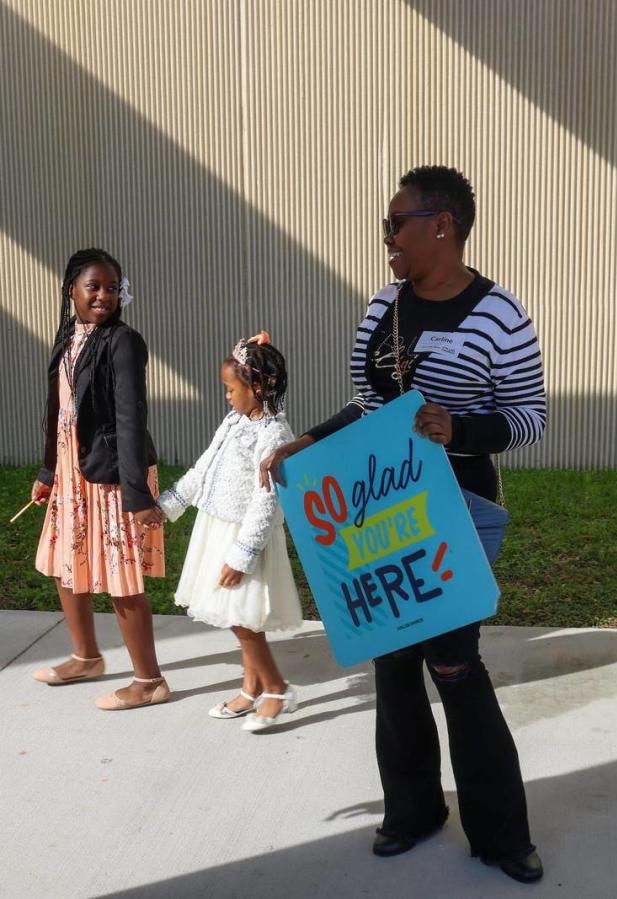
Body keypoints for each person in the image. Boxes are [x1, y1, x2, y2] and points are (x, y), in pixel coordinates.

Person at [261, 166, 546, 882]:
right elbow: (367, 404)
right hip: (376, 501)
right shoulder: (383, 307)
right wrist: (310, 442)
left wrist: (460, 428)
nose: (386, 237)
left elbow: (529, 417)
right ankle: (412, 811)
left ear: (441, 224)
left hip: (457, 504)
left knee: (454, 661)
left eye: (396, 223)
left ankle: (502, 833)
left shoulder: (499, 314)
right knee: (393, 655)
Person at [31, 248, 169, 710]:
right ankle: (86, 656)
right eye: (94, 286)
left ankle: (149, 681)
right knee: (64, 563)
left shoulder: (123, 342)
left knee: (121, 575)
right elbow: (59, 409)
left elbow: (131, 418)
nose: (104, 296)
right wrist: (49, 471)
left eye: (112, 287)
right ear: (71, 288)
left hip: (113, 476)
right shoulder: (69, 333)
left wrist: (135, 494)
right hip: (73, 472)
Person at [157, 333, 302, 732]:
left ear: (258, 387)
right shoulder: (235, 419)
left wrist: (242, 555)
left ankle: (276, 687)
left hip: (245, 537)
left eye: (230, 389)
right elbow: (204, 468)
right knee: (241, 618)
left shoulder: (274, 435)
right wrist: (167, 505)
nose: (226, 396)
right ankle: (251, 688)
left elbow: (267, 501)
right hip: (217, 525)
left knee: (242, 619)